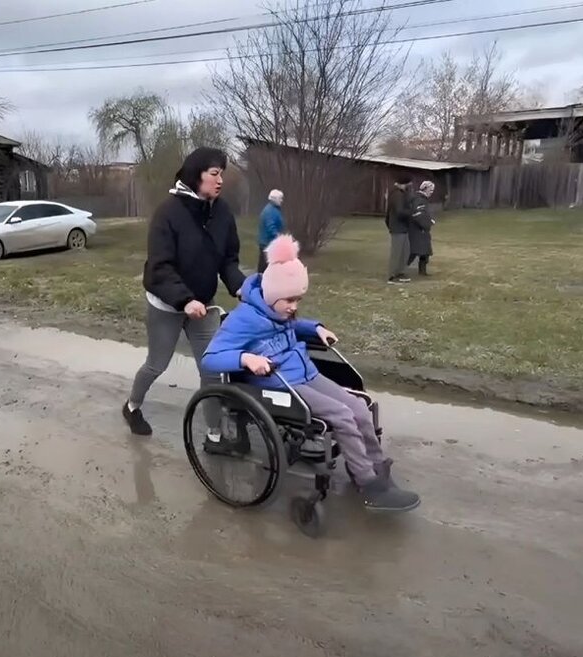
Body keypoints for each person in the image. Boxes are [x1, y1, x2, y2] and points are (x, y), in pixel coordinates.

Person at [201, 234, 421, 512]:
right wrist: (245, 358)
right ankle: (368, 483)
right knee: (342, 416)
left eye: (298, 299)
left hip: (305, 374)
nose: (294, 306)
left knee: (359, 407)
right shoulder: (243, 320)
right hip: (279, 385)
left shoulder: (278, 311)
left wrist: (315, 328)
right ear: (272, 295)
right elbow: (210, 358)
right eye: (290, 300)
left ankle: (375, 468)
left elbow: (293, 324)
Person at [122, 147, 246, 451]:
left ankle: (215, 436)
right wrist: (184, 300)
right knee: (157, 364)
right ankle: (132, 407)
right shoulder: (168, 214)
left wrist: (241, 287)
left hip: (203, 305)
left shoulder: (222, 212)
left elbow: (228, 259)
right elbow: (160, 267)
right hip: (168, 303)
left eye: (222, 174)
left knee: (212, 370)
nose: (220, 181)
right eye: (214, 174)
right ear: (196, 174)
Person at [385, 176, 413, 284]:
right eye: (408, 184)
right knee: (397, 253)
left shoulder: (400, 194)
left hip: (402, 227)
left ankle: (400, 272)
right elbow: (399, 212)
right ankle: (392, 275)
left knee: (404, 252)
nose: (409, 187)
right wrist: (411, 213)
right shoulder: (397, 195)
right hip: (398, 227)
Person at [406, 181, 435, 276]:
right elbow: (418, 215)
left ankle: (422, 271)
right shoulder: (419, 199)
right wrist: (427, 224)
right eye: (431, 190)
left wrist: (429, 220)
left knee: (424, 252)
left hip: (422, 230)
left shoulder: (422, 199)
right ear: (425, 189)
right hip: (417, 230)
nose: (432, 192)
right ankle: (400, 269)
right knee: (414, 251)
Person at [257, 189, 285, 273]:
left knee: (266, 265)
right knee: (265, 266)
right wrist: (278, 236)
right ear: (275, 199)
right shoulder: (270, 211)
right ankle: (261, 281)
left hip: (269, 243)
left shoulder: (273, 209)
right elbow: (270, 227)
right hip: (268, 243)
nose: (281, 200)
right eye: (280, 198)